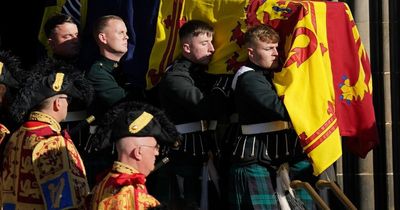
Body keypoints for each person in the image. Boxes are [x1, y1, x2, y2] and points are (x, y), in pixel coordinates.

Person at [229, 24, 315, 210]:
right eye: (268, 48)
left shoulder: (272, 76)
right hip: (255, 160)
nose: (275, 53)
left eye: (276, 47)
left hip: (282, 159)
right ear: (251, 52)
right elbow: (280, 109)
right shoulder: (249, 79)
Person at [1, 59, 92, 209]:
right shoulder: (53, 141)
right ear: (58, 103)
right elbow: (66, 203)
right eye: (67, 99)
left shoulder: (16, 135)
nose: (68, 104)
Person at [158, 20, 230, 209]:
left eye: (212, 42)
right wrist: (222, 85)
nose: (212, 49)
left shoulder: (200, 72)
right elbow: (204, 107)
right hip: (184, 151)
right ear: (187, 48)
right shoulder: (176, 76)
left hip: (204, 148)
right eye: (204, 43)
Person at [87, 101, 181, 210]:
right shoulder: (138, 198)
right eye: (155, 147)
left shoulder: (103, 183)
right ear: (138, 152)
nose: (157, 153)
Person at [85, 15, 130, 118]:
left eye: (126, 33)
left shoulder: (127, 67)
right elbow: (125, 104)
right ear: (103, 38)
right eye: (120, 33)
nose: (126, 37)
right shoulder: (97, 72)